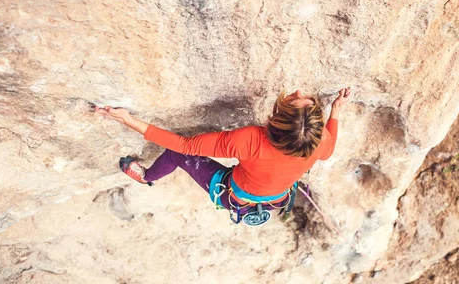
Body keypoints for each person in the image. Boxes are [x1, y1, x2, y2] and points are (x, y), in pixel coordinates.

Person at [95, 88, 352, 224]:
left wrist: (129, 120)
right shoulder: (319, 141)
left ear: (278, 118)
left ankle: (147, 176)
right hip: (275, 199)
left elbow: (184, 146)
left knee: (175, 154)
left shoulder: (251, 139)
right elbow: (328, 153)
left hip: (234, 194)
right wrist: (336, 111)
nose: (297, 91)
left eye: (296, 99)